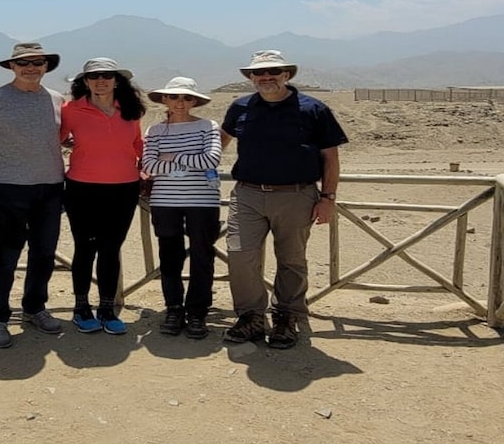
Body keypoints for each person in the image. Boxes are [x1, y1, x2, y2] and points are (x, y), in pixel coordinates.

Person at [220, 50, 348, 349]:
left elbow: (330, 157)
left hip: (296, 195)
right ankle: (251, 316)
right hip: (248, 193)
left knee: (291, 259)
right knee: (240, 254)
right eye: (259, 73)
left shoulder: (313, 109)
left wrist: (328, 197)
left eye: (273, 72)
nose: (266, 78)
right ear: (251, 78)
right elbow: (217, 145)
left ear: (286, 75)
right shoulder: (239, 107)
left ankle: (287, 317)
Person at [0, 42, 66, 349]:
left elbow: (60, 139)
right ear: (11, 66)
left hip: (51, 190)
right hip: (10, 190)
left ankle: (34, 308)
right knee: (4, 258)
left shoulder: (57, 100)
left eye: (37, 62)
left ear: (46, 66)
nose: (31, 68)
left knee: (44, 255)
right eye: (24, 63)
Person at [60, 57, 146, 335]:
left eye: (107, 76)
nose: (101, 81)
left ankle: (107, 309)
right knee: (84, 248)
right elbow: (55, 139)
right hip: (82, 189)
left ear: (117, 80)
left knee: (111, 249)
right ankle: (81, 308)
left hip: (124, 189)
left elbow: (137, 144)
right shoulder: (71, 110)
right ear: (85, 81)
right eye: (94, 76)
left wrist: (147, 171)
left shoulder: (130, 110)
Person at [141, 77, 222, 339]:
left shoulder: (208, 126)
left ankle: (197, 311)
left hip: (203, 202)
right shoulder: (154, 131)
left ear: (195, 101)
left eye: (187, 97)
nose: (180, 102)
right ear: (164, 99)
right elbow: (149, 166)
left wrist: (172, 157)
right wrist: (189, 161)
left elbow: (211, 158)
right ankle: (174, 308)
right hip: (165, 202)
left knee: (202, 255)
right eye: (174, 97)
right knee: (170, 256)